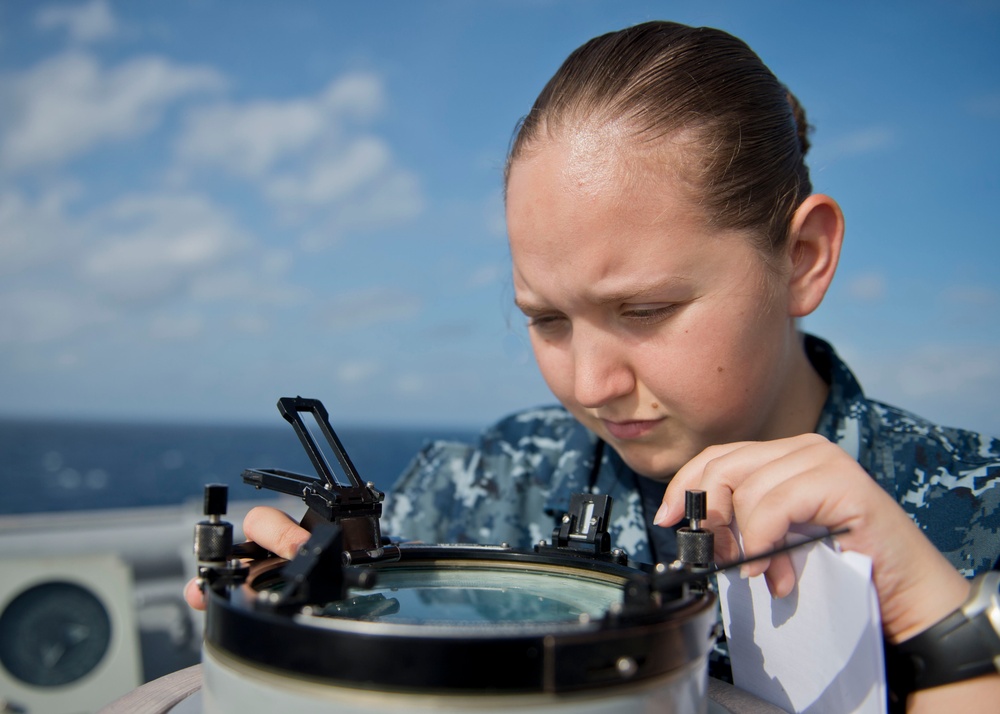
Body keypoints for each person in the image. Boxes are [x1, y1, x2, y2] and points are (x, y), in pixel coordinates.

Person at [185, 21, 1000, 711]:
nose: (587, 385)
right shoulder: (480, 487)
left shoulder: (981, 514)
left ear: (804, 259)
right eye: (545, 318)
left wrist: (950, 633)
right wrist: (290, 617)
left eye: (644, 311)